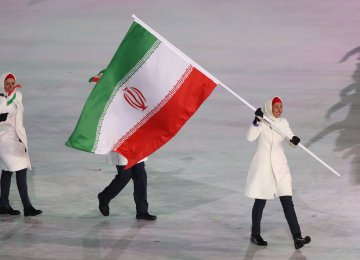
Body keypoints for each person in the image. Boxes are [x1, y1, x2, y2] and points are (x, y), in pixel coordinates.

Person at [245, 96, 310, 249]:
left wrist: (294, 141)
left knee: (288, 202)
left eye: (281, 107)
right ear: (269, 108)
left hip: (280, 167)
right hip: (265, 168)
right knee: (260, 202)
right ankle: (255, 234)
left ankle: (297, 237)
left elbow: (289, 138)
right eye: (276, 107)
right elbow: (250, 138)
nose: (279, 110)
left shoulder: (283, 122)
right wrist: (256, 122)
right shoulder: (262, 122)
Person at [0, 72, 42, 216]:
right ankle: (27, 206)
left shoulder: (18, 95)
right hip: (4, 140)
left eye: (12, 83)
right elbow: (4, 112)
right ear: (2, 84)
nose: (10, 86)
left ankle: (3, 203)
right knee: (19, 168)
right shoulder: (0, 99)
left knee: (7, 170)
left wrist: (21, 138)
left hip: (17, 138)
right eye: (7, 83)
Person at [97, 152, 156, 220]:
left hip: (136, 145)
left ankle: (142, 211)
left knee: (140, 176)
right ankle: (104, 197)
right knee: (125, 176)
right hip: (121, 145)